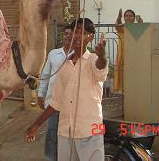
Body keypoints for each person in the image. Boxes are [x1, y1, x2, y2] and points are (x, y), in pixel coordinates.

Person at [26, 18, 108, 161]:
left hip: (92, 128)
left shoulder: (94, 59)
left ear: (91, 36)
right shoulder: (65, 64)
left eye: (82, 32)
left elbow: (101, 67)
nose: (76, 36)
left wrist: (102, 55)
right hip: (66, 130)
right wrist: (36, 124)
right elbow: (56, 101)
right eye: (75, 32)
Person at [37, 26, 73, 161]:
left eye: (70, 34)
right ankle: (51, 158)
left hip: (71, 104)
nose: (67, 36)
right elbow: (46, 75)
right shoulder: (53, 54)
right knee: (52, 132)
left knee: (67, 135)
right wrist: (41, 94)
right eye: (66, 33)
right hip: (53, 102)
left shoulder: (78, 55)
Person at [114, 9, 143, 92]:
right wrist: (119, 17)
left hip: (134, 55)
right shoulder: (122, 27)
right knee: (123, 75)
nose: (128, 18)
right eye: (126, 16)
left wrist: (140, 22)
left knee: (134, 76)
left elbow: (142, 32)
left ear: (134, 18)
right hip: (123, 55)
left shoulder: (136, 28)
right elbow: (117, 26)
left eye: (130, 16)